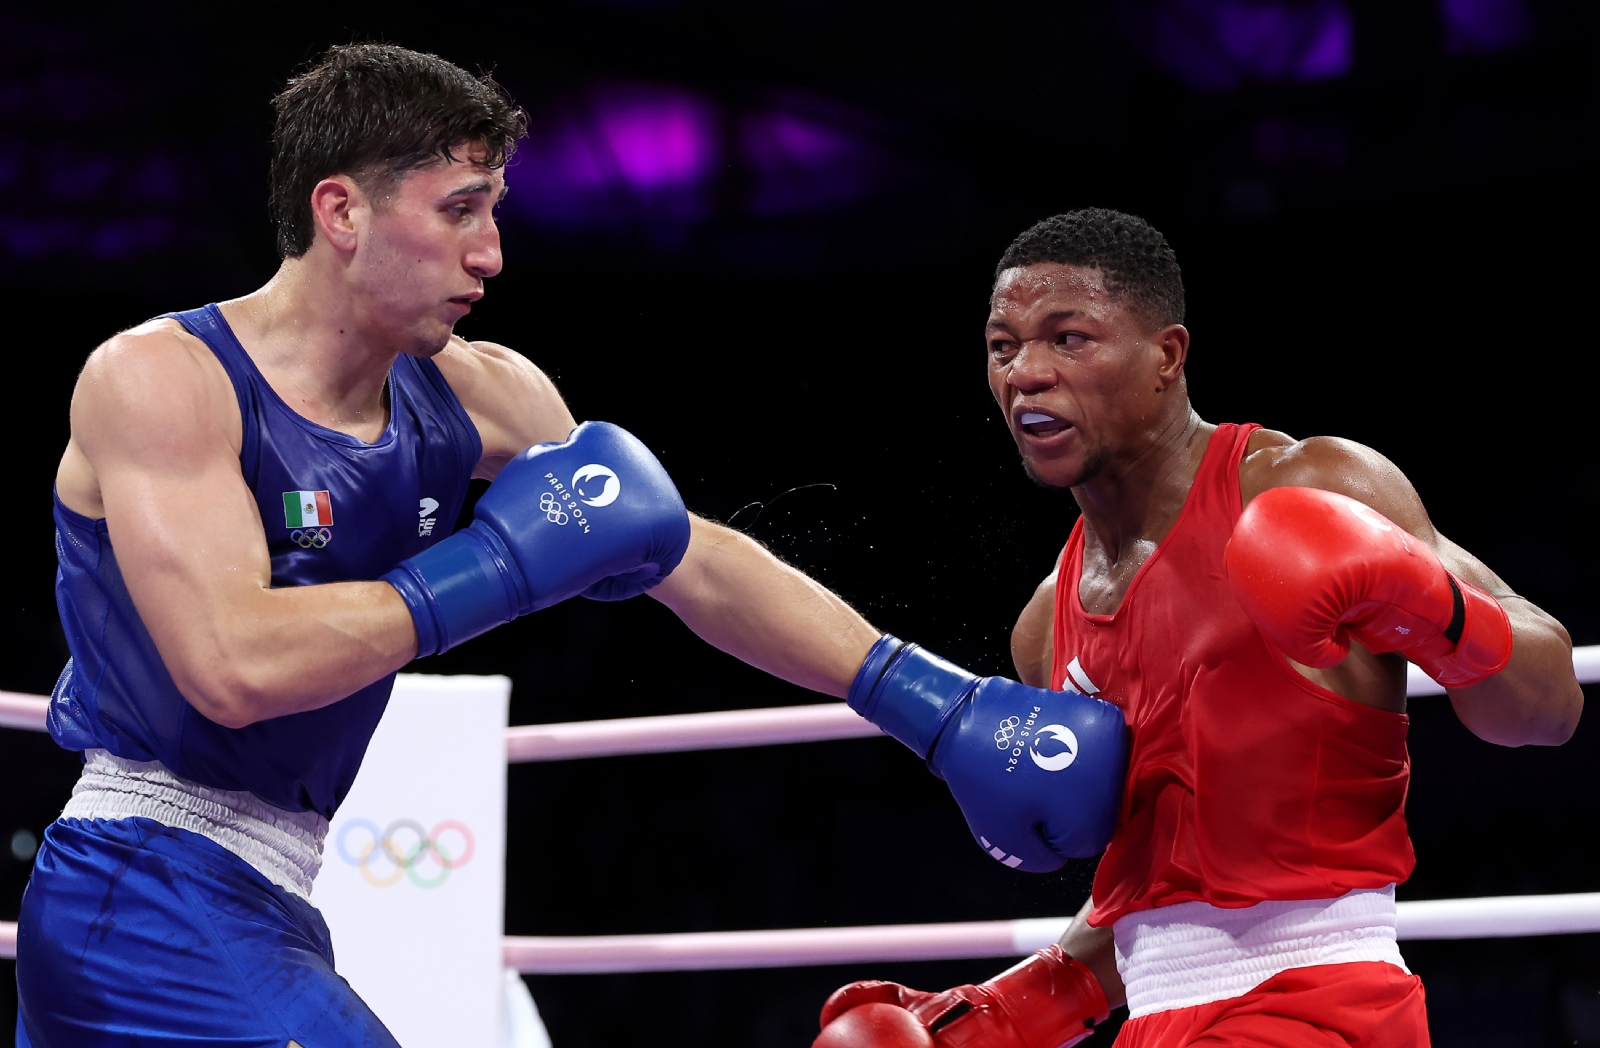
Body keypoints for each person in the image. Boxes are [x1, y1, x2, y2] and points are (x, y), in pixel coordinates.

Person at [15, 42, 905, 1048]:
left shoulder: (487, 394)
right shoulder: (162, 380)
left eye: (492, 212)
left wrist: (916, 697)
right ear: (341, 212)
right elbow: (232, 663)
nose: (490, 254)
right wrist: (497, 567)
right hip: (142, 887)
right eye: (458, 209)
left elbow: (681, 553)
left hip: (265, 896)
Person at [813, 209, 1584, 1048]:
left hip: (1323, 1006)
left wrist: (1427, 603)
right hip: (1158, 1022)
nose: (1027, 373)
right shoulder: (1046, 624)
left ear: (1167, 357)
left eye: (1068, 339)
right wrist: (1013, 1008)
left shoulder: (1304, 485)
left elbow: (1546, 712)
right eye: (1003, 347)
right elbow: (1157, 902)